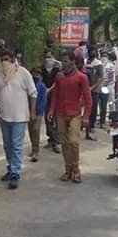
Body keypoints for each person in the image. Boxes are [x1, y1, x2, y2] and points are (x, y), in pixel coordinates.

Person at [0, 49, 37, 190]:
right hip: (4, 115)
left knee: (17, 145)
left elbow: (33, 93)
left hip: (19, 116)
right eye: (1, 59)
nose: (4, 62)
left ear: (12, 59)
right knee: (7, 145)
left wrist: (33, 111)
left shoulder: (23, 73)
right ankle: (10, 168)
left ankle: (15, 173)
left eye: (6, 59)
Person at [48, 51, 92, 184]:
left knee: (73, 142)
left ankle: (76, 169)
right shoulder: (59, 76)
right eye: (62, 61)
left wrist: (86, 116)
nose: (63, 64)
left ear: (73, 61)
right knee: (64, 143)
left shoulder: (81, 77)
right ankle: (68, 169)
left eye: (66, 61)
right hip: (61, 114)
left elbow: (87, 98)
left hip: (75, 114)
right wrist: (51, 110)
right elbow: (55, 95)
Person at [41, 50, 61, 153]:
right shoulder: (41, 69)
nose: (48, 59)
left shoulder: (57, 70)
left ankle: (55, 140)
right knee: (47, 118)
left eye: (49, 57)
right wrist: (45, 89)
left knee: (55, 118)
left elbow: (58, 82)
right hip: (45, 96)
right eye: (46, 57)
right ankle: (51, 139)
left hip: (56, 96)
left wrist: (51, 88)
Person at [28, 68, 48, 162]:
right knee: (31, 130)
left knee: (36, 130)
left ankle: (36, 151)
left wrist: (38, 111)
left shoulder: (42, 86)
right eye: (34, 74)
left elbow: (43, 100)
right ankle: (33, 148)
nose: (36, 76)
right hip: (29, 111)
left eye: (38, 74)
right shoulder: (29, 85)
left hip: (38, 112)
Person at [85, 51, 104, 139]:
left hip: (95, 89)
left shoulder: (98, 63)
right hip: (85, 88)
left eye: (93, 52)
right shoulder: (85, 62)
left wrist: (93, 87)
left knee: (93, 107)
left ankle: (91, 125)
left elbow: (101, 77)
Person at [99, 52, 116, 127]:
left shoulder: (107, 65)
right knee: (109, 103)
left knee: (105, 103)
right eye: (103, 56)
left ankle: (107, 120)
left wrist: (102, 85)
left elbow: (109, 77)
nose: (104, 57)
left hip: (106, 86)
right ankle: (110, 119)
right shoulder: (109, 65)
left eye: (105, 56)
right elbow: (110, 77)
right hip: (107, 86)